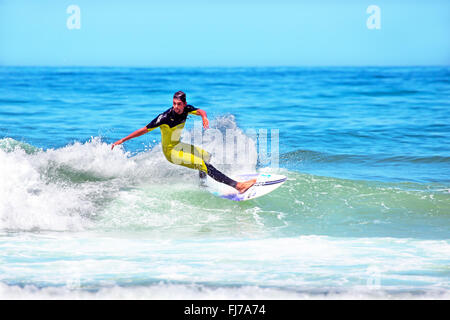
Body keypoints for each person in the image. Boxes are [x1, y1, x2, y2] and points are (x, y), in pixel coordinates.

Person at [111, 91, 256, 193]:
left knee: (206, 156)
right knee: (202, 164)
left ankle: (202, 183)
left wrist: (204, 118)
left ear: (184, 103)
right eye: (174, 104)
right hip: (171, 152)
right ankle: (238, 186)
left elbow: (200, 111)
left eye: (179, 104)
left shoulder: (186, 109)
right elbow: (144, 129)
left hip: (178, 145)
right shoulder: (164, 118)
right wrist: (123, 140)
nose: (176, 107)